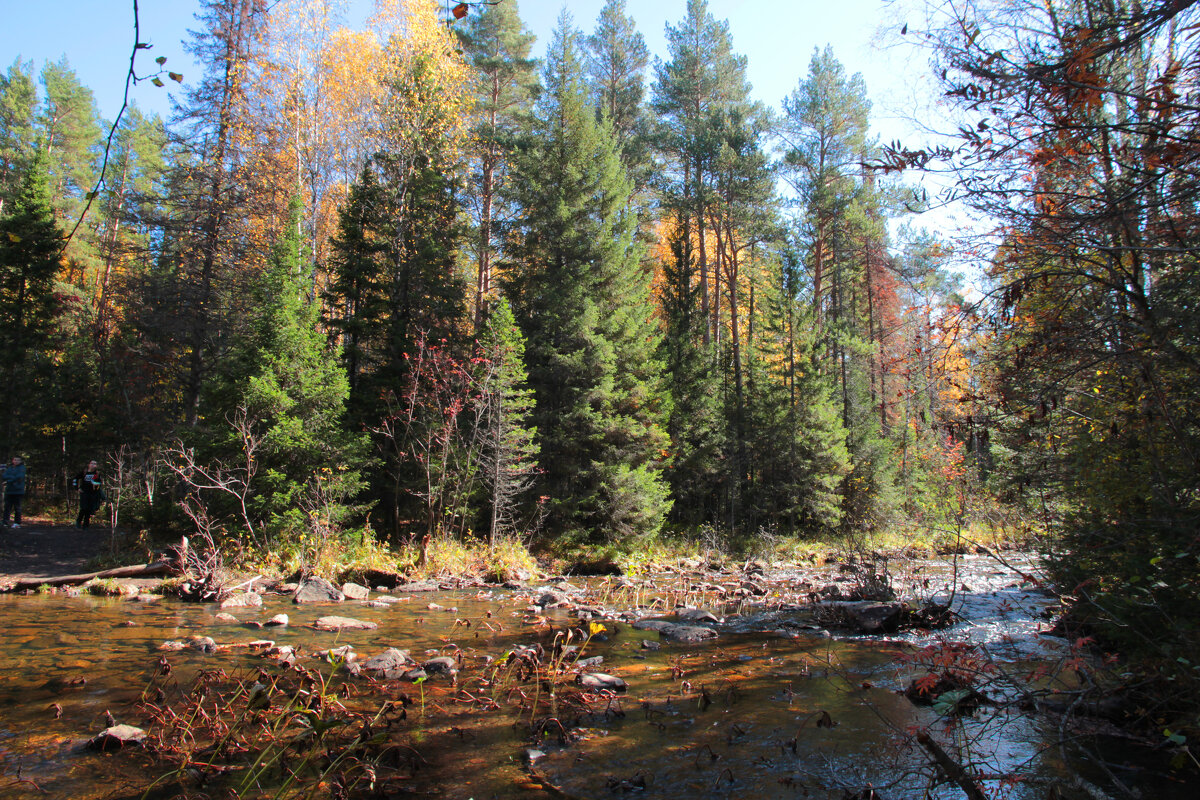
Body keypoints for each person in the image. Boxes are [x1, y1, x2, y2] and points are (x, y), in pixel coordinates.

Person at [74, 460, 103, 530]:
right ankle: (78, 522)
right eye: (92, 463)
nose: (93, 465)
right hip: (84, 493)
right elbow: (75, 479)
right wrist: (77, 488)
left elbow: (100, 482)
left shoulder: (97, 474)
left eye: (95, 464)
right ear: (89, 464)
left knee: (89, 510)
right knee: (83, 508)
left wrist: (95, 484)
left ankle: (86, 525)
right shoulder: (84, 472)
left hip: (93, 493)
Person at [2, 456, 25, 528]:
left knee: (17, 508)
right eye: (15, 460)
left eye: (18, 460)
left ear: (20, 461)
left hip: (18, 491)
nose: (16, 461)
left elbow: (19, 477)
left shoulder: (22, 468)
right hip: (9, 491)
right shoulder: (10, 468)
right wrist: (12, 477)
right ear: (12, 461)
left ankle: (17, 523)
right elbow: (4, 476)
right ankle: (5, 522)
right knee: (7, 507)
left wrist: (9, 480)